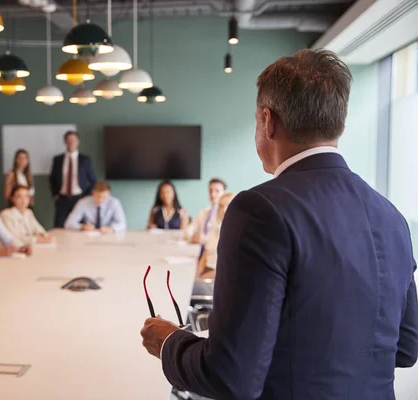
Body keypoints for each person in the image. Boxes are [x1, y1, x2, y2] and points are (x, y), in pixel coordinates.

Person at [141, 49, 418, 400]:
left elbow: (231, 377)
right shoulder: (392, 216)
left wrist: (168, 342)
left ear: (268, 121)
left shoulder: (258, 209)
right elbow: (406, 347)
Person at [49, 130, 97, 228]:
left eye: (73, 140)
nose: (71, 143)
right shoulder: (58, 159)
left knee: (80, 226)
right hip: (62, 199)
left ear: (78, 142)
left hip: (79, 198)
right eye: (68, 140)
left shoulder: (85, 160)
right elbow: (52, 178)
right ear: (65, 142)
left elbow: (93, 180)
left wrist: (85, 196)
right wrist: (55, 195)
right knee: (59, 226)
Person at [196, 192, 235, 280]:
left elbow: (228, 270)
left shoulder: (236, 234)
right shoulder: (214, 228)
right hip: (207, 272)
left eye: (228, 206)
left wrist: (202, 278)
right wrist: (197, 275)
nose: (224, 210)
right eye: (221, 206)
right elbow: (205, 255)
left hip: (219, 277)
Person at [185, 178, 227, 244]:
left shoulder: (226, 214)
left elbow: (223, 239)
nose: (213, 194)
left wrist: (205, 239)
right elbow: (188, 231)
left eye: (217, 191)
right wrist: (193, 237)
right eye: (210, 191)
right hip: (198, 249)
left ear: (224, 193)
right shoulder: (202, 212)